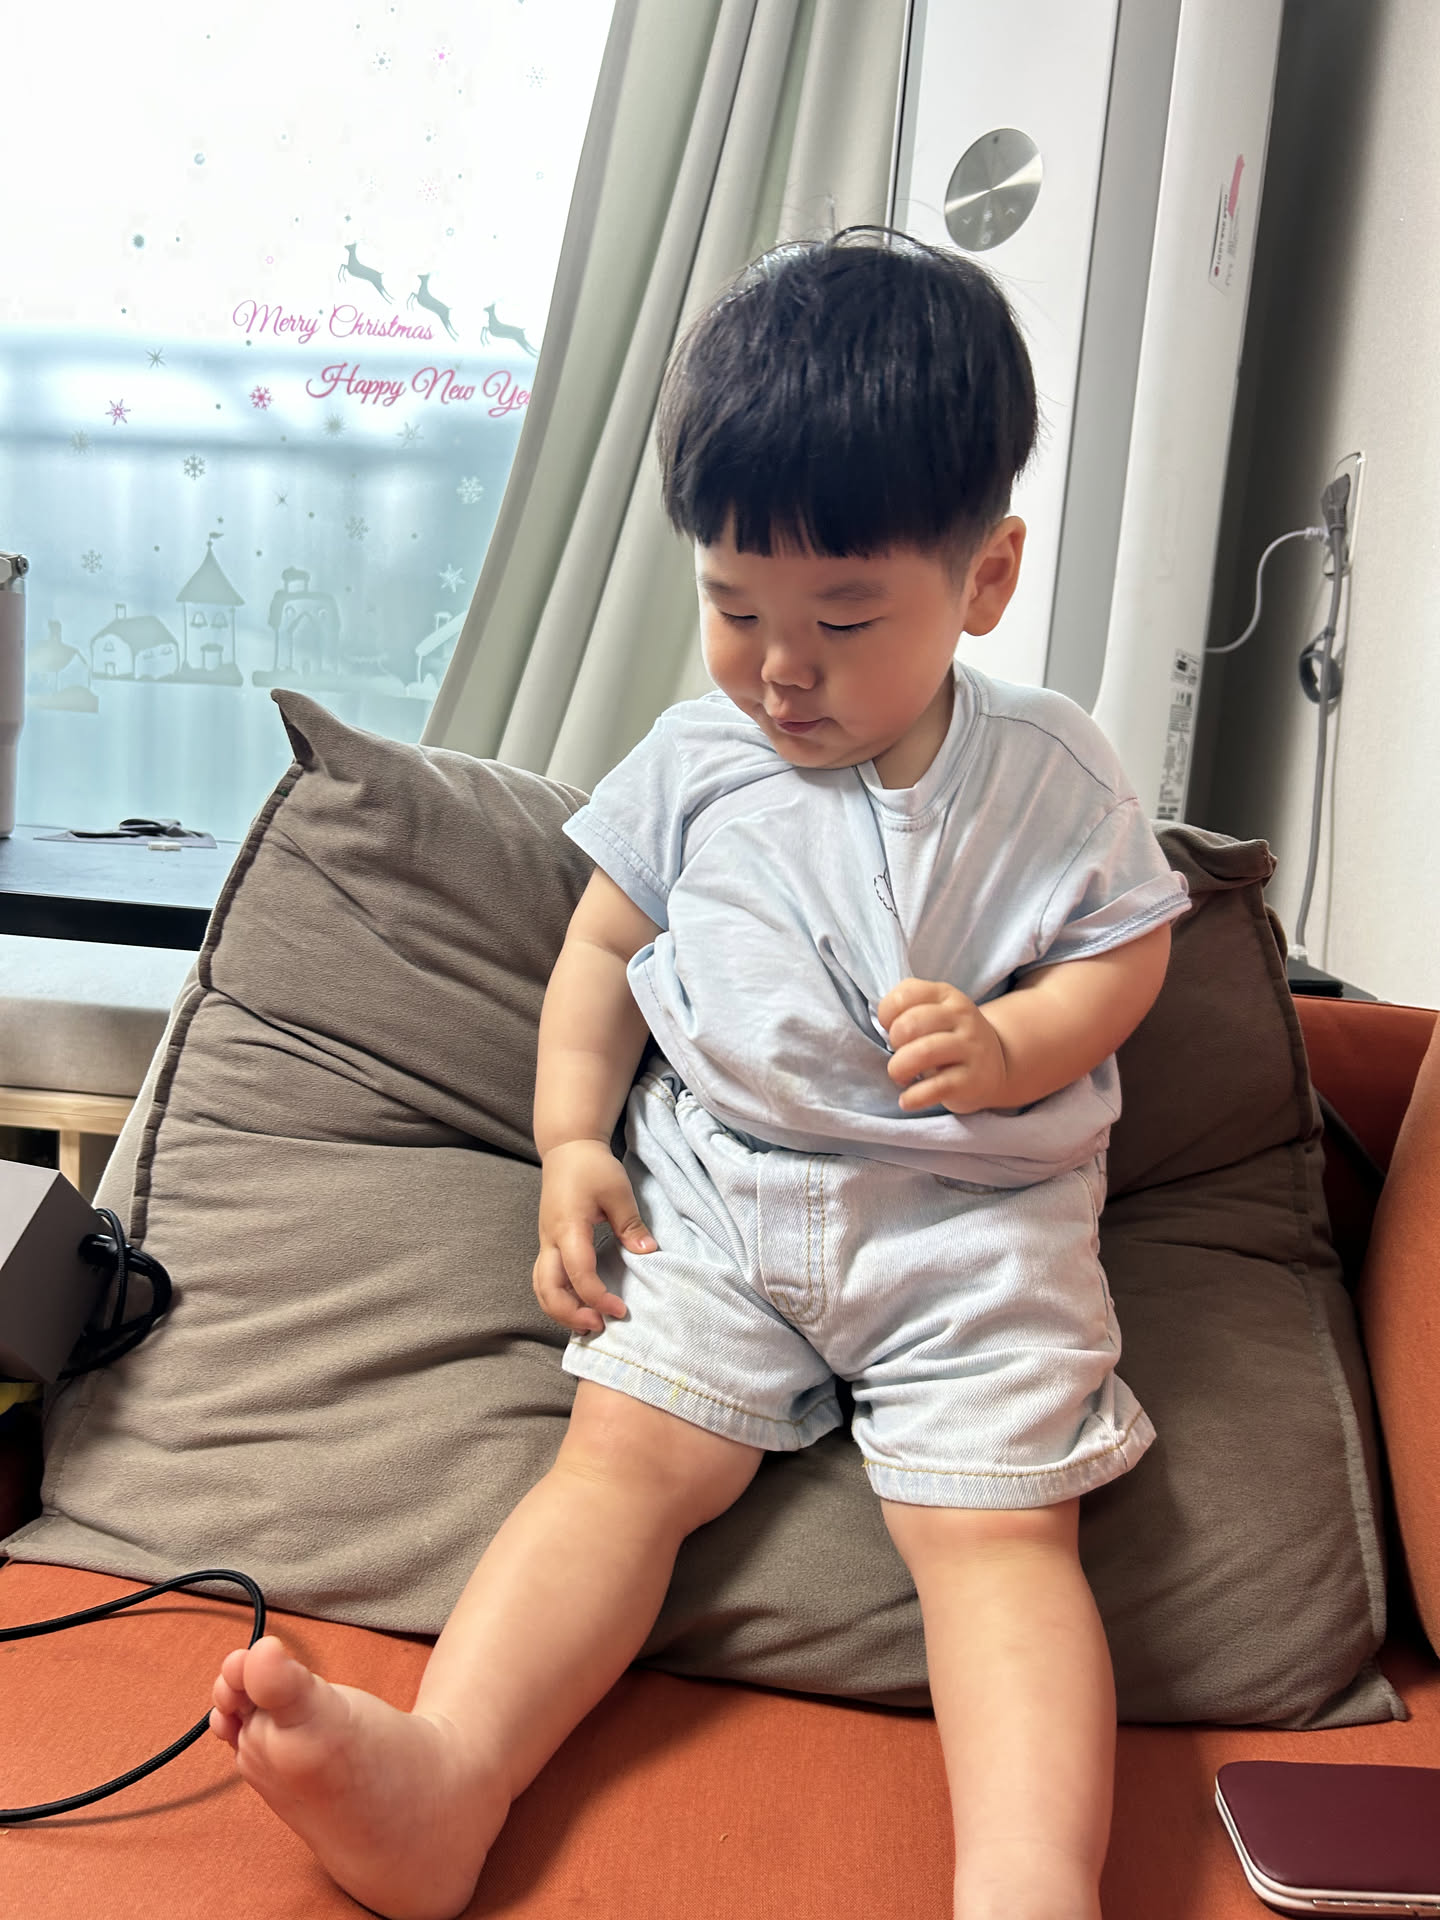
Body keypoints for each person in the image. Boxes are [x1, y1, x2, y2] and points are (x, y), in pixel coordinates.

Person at [208, 228, 1189, 1920]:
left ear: (986, 578)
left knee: (1002, 1543)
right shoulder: (696, 759)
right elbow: (601, 953)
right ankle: (447, 1780)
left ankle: (1031, 1885)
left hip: (976, 1228)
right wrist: (570, 1139)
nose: (781, 668)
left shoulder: (1056, 771)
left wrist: (1019, 1041)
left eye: (843, 617)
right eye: (734, 608)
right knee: (616, 1471)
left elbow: (1130, 952)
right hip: (721, 1199)